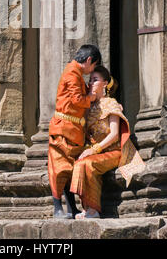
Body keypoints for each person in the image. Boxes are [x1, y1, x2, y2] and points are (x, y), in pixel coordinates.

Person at [70, 65, 145, 219]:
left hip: (115, 152)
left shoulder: (111, 103)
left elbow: (115, 134)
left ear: (105, 83)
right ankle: (86, 208)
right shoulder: (89, 108)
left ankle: (94, 210)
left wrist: (94, 149)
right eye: (90, 80)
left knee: (87, 164)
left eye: (95, 80)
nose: (91, 83)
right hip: (97, 153)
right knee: (78, 163)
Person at [48, 44, 102, 218]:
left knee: (70, 170)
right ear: (88, 61)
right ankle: (57, 209)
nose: (91, 70)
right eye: (93, 66)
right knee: (58, 169)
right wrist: (92, 97)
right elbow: (77, 100)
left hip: (74, 130)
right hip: (63, 129)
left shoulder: (76, 74)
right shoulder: (72, 72)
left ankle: (71, 207)